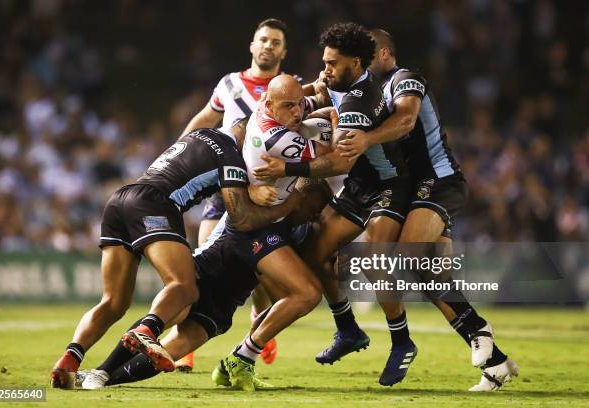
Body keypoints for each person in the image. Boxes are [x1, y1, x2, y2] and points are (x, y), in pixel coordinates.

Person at [50, 119, 299, 389]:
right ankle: (147, 330)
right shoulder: (230, 155)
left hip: (120, 200)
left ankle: (69, 360)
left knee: (113, 302)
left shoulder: (201, 134)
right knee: (184, 286)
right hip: (154, 204)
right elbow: (240, 214)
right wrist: (281, 202)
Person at [333, 28, 518, 391]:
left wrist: (367, 138)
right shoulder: (370, 94)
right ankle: (495, 361)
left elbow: (405, 120)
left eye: (366, 58)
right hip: (415, 190)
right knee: (430, 276)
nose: (360, 67)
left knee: (407, 256)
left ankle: (478, 330)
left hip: (441, 181)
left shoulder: (405, 80)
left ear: (384, 54)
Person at [254, 22, 418, 385]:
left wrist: (287, 166)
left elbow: (340, 161)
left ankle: (401, 341)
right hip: (361, 185)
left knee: (374, 257)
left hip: (389, 184)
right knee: (314, 253)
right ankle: (348, 329)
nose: (325, 69)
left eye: (332, 63)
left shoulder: (359, 100)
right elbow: (316, 100)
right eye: (324, 61)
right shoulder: (339, 83)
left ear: (356, 63)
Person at [74, 178, 331, 390]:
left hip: (227, 299)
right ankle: (102, 370)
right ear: (299, 196)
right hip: (205, 271)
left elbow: (270, 281)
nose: (315, 215)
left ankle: (104, 379)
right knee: (161, 323)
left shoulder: (300, 231)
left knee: (173, 350)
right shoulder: (263, 204)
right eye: (313, 207)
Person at [177, 18, 321, 370]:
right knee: (205, 263)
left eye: (276, 42)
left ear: (284, 52)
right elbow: (203, 121)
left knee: (250, 267)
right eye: (263, 40)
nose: (269, 46)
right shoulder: (229, 84)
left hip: (271, 187)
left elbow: (313, 129)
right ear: (252, 46)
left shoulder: (292, 91)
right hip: (227, 186)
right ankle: (185, 347)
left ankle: (258, 319)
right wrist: (179, 155)